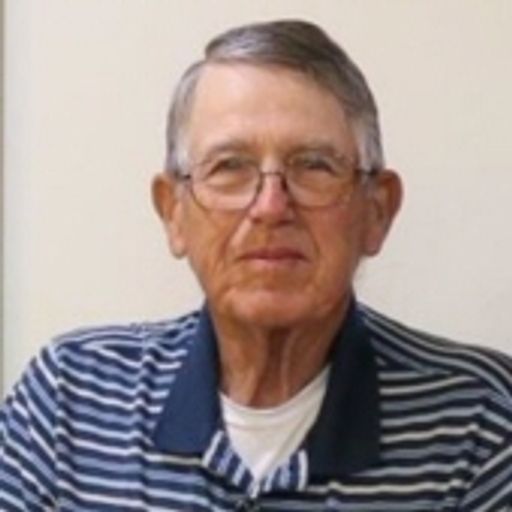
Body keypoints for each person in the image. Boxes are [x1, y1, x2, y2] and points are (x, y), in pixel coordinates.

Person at [1, 19, 511, 511]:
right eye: (230, 167)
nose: (270, 207)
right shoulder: (69, 397)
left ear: (377, 211)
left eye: (313, 166)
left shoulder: (481, 421)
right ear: (173, 212)